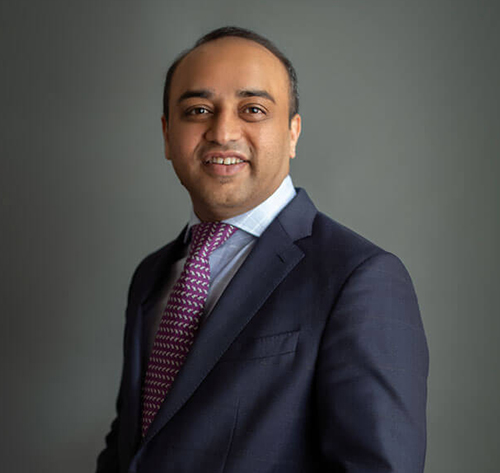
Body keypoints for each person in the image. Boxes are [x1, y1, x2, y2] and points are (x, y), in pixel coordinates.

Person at [96, 26, 428, 473]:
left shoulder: (359, 278)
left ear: (292, 133)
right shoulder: (152, 275)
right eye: (197, 110)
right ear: (167, 134)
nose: (222, 132)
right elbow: (133, 448)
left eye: (253, 109)